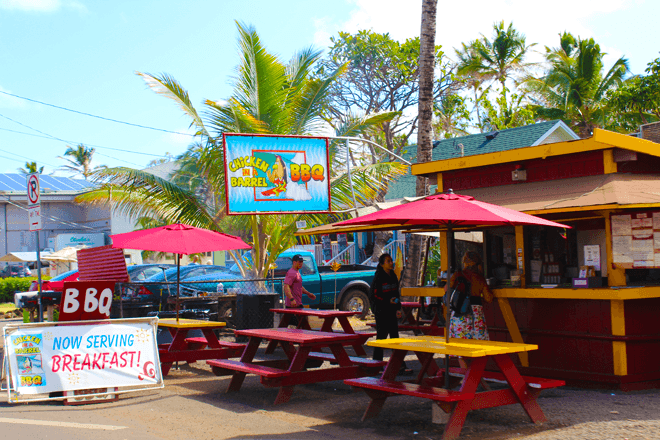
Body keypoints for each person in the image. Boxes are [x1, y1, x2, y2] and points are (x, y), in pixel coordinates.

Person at [369, 253, 413, 375]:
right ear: (382, 264)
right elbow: (374, 295)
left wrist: (398, 308)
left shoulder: (393, 275)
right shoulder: (378, 277)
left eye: (391, 260)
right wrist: (387, 301)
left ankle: (399, 365)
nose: (391, 262)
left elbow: (396, 293)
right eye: (388, 261)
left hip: (392, 311)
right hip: (381, 311)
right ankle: (376, 366)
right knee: (381, 338)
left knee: (395, 338)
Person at [447, 251, 494, 340]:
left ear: (464, 262)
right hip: (475, 313)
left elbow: (446, 290)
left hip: (459, 311)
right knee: (477, 344)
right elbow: (489, 298)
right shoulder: (479, 278)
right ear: (478, 264)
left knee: (458, 344)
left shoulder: (456, 275)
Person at [283, 255, 316, 326]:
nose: (301, 263)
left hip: (298, 303)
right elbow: (286, 286)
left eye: (302, 262)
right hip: (292, 305)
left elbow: (299, 286)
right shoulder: (291, 272)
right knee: (302, 324)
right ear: (294, 262)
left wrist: (308, 293)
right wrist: (292, 299)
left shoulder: (297, 272)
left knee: (301, 324)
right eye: (299, 262)